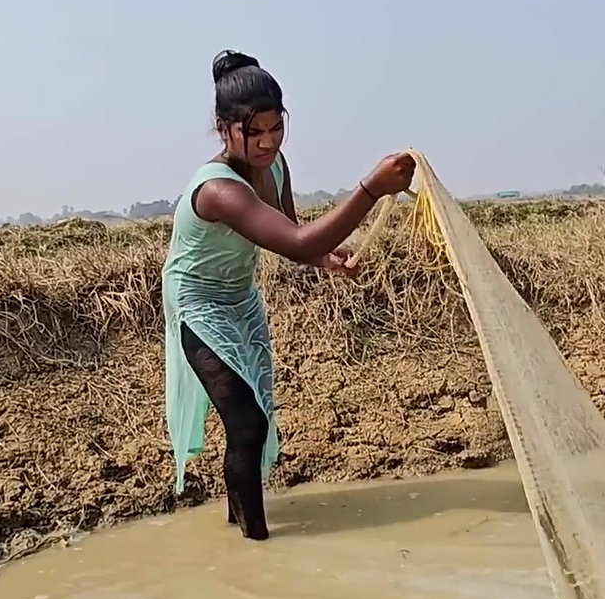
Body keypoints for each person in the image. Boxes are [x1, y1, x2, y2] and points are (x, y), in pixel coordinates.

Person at [162, 49, 416, 541]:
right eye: (253, 132)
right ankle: (256, 542)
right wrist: (371, 189)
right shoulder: (217, 190)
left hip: (240, 296)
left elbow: (290, 234)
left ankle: (239, 520)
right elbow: (298, 241)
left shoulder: (274, 167)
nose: (267, 142)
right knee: (247, 422)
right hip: (198, 302)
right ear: (224, 129)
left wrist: (325, 258)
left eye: (276, 128)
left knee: (253, 415)